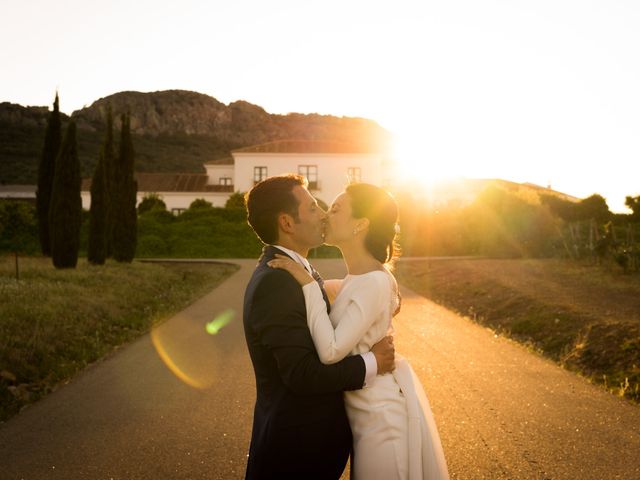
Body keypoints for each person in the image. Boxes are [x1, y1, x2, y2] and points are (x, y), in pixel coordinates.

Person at [268, 183, 450, 480]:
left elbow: (330, 352)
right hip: (365, 416)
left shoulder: (373, 282)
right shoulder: (359, 279)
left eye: (336, 209)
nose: (326, 215)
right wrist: (318, 286)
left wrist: (307, 285)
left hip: (381, 419)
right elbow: (349, 295)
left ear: (361, 225)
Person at [242, 174, 396, 480]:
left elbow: (344, 297)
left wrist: (384, 295)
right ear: (287, 223)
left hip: (307, 450)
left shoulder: (297, 271)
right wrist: (372, 362)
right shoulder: (277, 281)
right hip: (294, 455)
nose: (323, 213)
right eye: (312, 208)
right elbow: (302, 375)